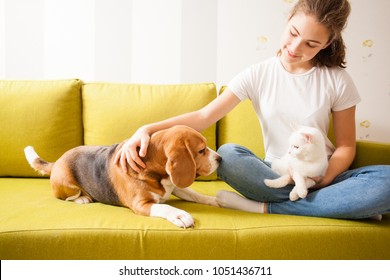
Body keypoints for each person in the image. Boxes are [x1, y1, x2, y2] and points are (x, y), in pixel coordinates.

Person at [114, 0, 390, 220]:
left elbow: (345, 147)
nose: (295, 48)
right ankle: (343, 207)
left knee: (386, 182)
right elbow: (203, 117)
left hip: (324, 174)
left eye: (311, 44)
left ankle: (264, 208)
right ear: (287, 22)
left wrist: (324, 178)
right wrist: (146, 129)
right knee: (228, 155)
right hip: (273, 174)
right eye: (293, 33)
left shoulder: (337, 80)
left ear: (327, 44)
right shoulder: (258, 74)